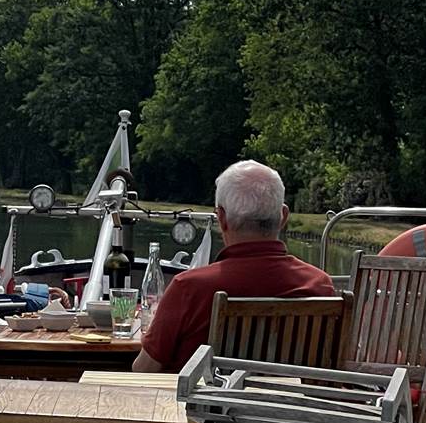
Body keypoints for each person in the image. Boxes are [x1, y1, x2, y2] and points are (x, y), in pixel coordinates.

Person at [131, 159, 335, 373]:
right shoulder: (319, 286)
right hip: (289, 405)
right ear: (283, 217)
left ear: (221, 218)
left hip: (202, 406)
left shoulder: (189, 288)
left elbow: (144, 370)